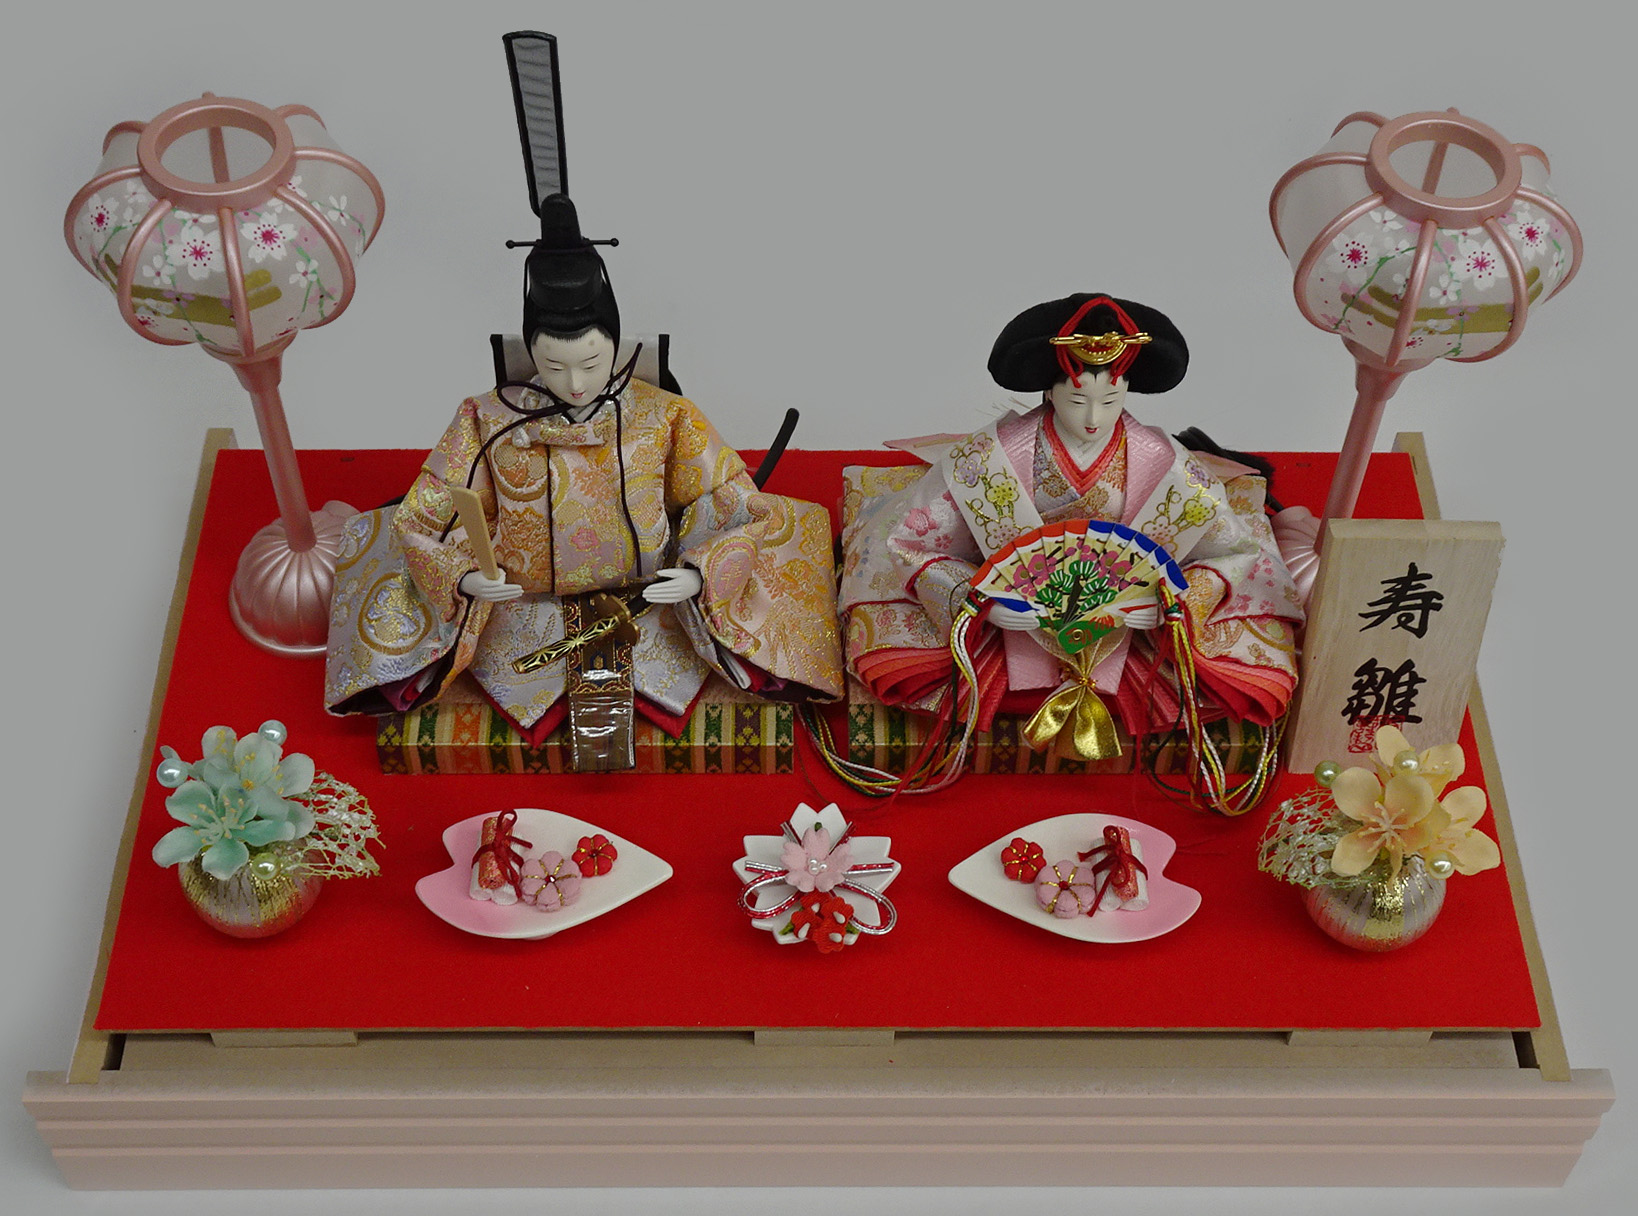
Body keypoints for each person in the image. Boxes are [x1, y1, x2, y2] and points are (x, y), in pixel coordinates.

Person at [325, 195, 843, 767]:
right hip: (519, 610)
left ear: (616, 346)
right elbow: (425, 514)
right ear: (531, 352)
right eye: (554, 365)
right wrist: (462, 576)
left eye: (591, 364)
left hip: (652, 607)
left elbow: (731, 501)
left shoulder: (665, 414)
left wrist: (702, 572)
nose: (574, 383)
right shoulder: (485, 418)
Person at [838, 293, 1303, 741]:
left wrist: (1171, 603)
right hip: (1010, 622)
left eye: (1111, 401)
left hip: (1131, 627)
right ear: (1049, 392)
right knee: (895, 660)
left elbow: (1232, 550)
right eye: (1078, 402)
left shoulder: (1165, 461)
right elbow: (912, 543)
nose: (1094, 418)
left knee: (1245, 676)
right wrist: (982, 602)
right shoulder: (990, 458)